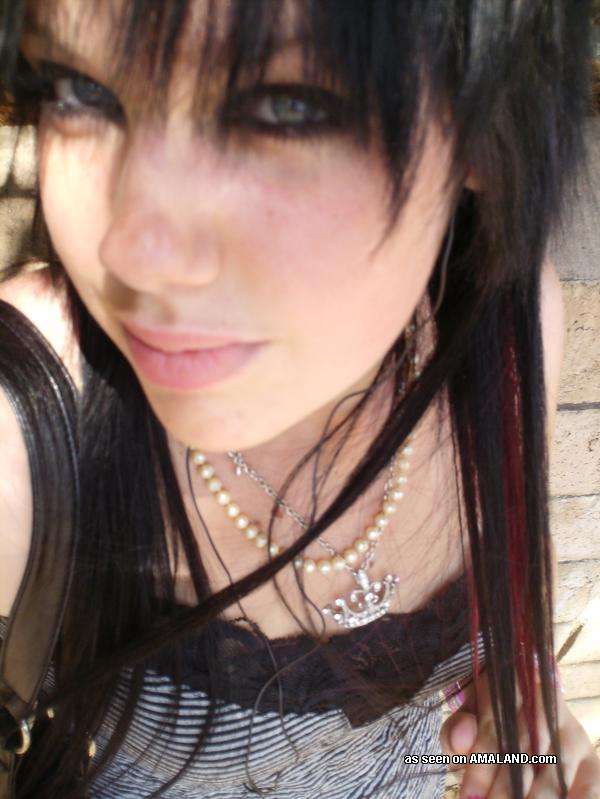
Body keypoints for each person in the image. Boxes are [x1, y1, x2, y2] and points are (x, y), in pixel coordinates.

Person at [0, 1, 598, 797]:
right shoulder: (31, 419)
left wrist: (521, 704)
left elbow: (513, 572)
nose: (134, 253)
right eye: (79, 88)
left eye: (286, 106)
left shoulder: (511, 334)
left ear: (486, 128)